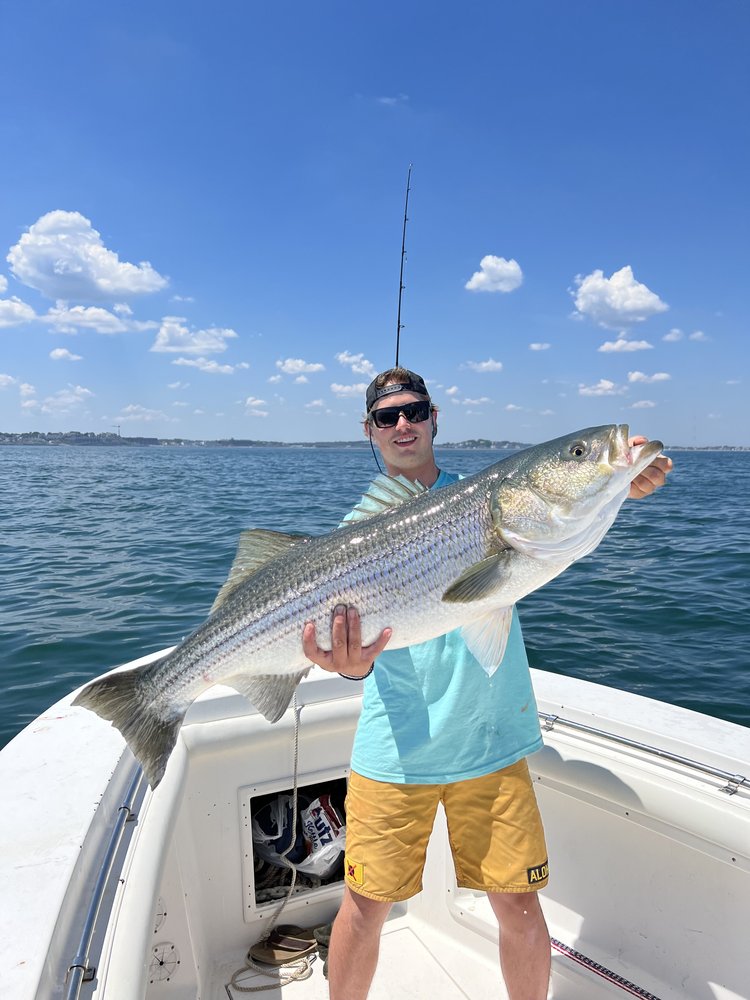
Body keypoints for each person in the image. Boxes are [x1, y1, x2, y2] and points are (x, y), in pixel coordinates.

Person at [302, 367, 672, 1000]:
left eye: (414, 410)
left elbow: (559, 530)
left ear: (435, 416)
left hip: (491, 742)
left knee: (521, 911)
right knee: (364, 911)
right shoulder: (354, 535)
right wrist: (346, 663)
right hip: (396, 750)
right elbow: (357, 662)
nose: (403, 425)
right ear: (369, 430)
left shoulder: (488, 500)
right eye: (388, 417)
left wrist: (615, 482)